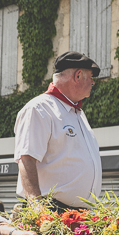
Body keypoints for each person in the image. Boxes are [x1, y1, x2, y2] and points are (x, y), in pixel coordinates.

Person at [14, 51, 102, 210]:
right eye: (90, 77)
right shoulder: (39, 108)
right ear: (78, 76)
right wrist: (37, 206)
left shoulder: (77, 113)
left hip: (79, 212)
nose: (93, 83)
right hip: (51, 209)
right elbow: (26, 158)